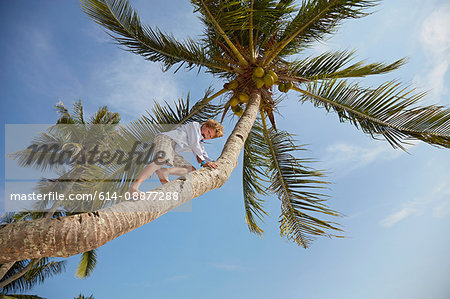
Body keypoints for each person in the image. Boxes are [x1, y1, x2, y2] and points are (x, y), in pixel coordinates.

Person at [128, 119, 224, 193]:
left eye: (210, 136)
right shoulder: (194, 126)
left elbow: (204, 154)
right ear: (204, 125)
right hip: (167, 139)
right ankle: (134, 187)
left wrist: (217, 163)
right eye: (208, 132)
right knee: (160, 160)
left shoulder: (200, 143)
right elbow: (195, 144)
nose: (207, 135)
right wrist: (203, 162)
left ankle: (164, 171)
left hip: (173, 150)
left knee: (191, 170)